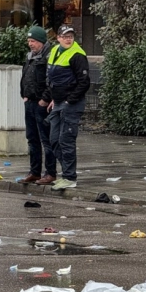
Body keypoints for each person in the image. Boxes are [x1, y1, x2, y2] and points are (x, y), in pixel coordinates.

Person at [42, 25, 90, 190]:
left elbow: (84, 82)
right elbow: (52, 78)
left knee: (66, 140)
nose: (69, 39)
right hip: (58, 102)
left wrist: (69, 100)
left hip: (71, 104)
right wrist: (53, 98)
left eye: (71, 36)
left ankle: (70, 177)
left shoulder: (78, 55)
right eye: (65, 36)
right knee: (54, 140)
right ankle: (67, 172)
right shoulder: (55, 51)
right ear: (58, 38)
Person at [19, 26, 56, 184]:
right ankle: (34, 172)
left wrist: (45, 99)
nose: (30, 44)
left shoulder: (49, 56)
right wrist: (24, 95)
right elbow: (26, 76)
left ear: (41, 41)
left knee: (46, 139)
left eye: (33, 41)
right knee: (32, 138)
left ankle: (50, 173)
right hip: (30, 102)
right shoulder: (31, 56)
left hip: (42, 104)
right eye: (28, 41)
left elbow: (52, 80)